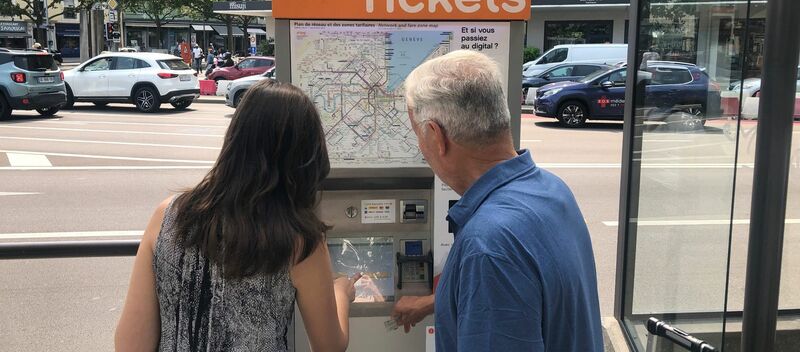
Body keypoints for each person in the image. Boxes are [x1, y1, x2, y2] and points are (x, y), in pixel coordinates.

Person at [115, 81, 362, 352]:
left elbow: (129, 344)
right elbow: (330, 346)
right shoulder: (298, 241)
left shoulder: (168, 215)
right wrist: (341, 292)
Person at [393, 50, 603, 351]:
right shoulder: (552, 191)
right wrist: (437, 301)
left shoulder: (489, 244)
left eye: (418, 135)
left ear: (435, 136)